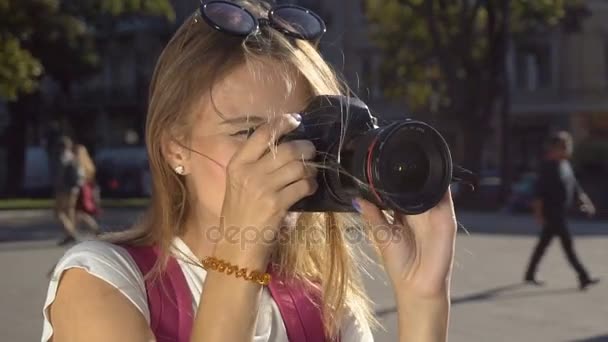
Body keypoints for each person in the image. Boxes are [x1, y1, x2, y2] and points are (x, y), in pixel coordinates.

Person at [42, 2, 457, 341]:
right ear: (174, 148)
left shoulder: (320, 300)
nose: (287, 156)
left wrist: (424, 301)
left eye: (304, 132)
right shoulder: (102, 281)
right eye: (249, 132)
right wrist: (240, 255)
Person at [524, 131, 599, 290]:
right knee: (568, 246)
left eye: (568, 146)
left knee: (543, 245)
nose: (567, 149)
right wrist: (538, 215)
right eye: (564, 146)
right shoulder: (547, 167)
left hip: (560, 212)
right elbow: (538, 195)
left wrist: (585, 201)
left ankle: (529, 274)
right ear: (554, 148)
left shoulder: (564, 165)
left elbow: (575, 185)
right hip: (552, 214)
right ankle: (583, 276)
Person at [53, 136, 82, 246]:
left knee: (58, 212)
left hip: (64, 189)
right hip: (74, 188)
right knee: (70, 211)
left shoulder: (63, 157)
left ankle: (72, 233)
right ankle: (69, 235)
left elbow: (60, 176)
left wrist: (57, 187)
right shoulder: (73, 156)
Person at [73, 144, 101, 235]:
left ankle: (72, 233)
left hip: (80, 189)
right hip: (87, 188)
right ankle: (72, 232)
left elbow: (78, 178)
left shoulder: (78, 163)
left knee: (79, 212)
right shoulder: (88, 163)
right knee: (79, 213)